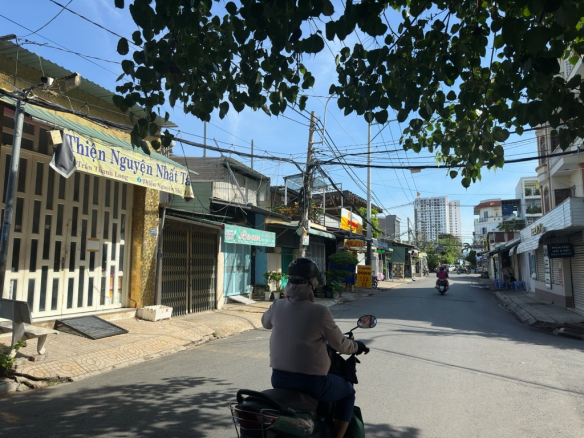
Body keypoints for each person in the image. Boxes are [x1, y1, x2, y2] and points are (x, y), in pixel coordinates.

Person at [261, 257, 367, 438]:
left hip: (278, 379)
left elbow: (265, 323)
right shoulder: (319, 311)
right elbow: (340, 344)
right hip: (312, 383)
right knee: (348, 392)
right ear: (312, 283)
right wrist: (357, 347)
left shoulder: (277, 305)